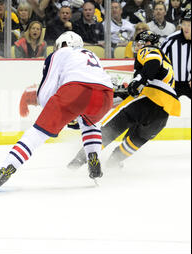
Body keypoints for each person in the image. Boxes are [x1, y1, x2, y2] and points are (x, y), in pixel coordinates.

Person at [0, 31, 114, 189]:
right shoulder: (91, 54)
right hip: (106, 96)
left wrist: (53, 112)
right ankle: (93, 156)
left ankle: (7, 168)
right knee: (90, 123)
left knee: (37, 133)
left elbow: (47, 88)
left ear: (62, 44)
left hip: (77, 90)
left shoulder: (61, 53)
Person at [67, 31, 181, 170]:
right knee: (138, 139)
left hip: (147, 100)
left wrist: (139, 80)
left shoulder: (149, 50)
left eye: (139, 43)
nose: (138, 47)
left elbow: (153, 63)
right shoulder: (166, 62)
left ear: (148, 43)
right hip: (163, 114)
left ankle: (79, 160)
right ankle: (113, 162)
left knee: (109, 129)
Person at [161, 9, 191, 98]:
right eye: (184, 24)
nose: (186, 27)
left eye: (189, 25)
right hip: (172, 84)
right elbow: (159, 57)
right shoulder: (171, 39)